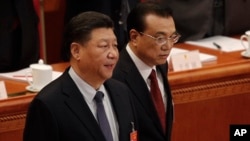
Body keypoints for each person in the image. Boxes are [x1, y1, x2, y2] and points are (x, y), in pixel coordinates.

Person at [23, 11, 137, 141]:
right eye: (104, 46)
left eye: (115, 46)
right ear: (76, 51)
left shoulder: (122, 92)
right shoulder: (48, 104)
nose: (113, 54)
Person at [112, 2, 180, 141]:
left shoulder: (161, 64)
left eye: (172, 37)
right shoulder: (115, 76)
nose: (168, 46)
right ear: (134, 37)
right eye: (160, 38)